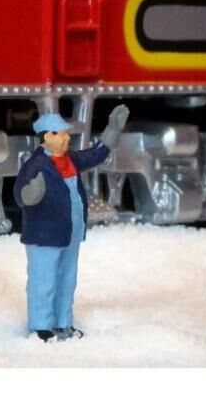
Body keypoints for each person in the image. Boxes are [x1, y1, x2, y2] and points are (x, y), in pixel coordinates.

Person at [14, 105, 129, 342]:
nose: (66, 137)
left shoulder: (71, 160)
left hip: (70, 234)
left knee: (67, 280)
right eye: (59, 133)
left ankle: (63, 323)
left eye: (66, 133)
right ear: (45, 137)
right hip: (45, 236)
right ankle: (40, 326)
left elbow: (96, 154)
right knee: (43, 281)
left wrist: (113, 130)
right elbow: (20, 195)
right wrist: (30, 194)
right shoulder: (35, 165)